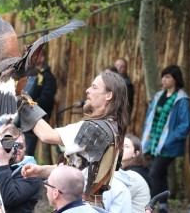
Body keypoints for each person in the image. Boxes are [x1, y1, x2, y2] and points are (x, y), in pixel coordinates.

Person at [20, 71, 129, 208]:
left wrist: (25, 103)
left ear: (109, 95)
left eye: (94, 87)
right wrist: (41, 171)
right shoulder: (114, 129)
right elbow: (80, 172)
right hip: (92, 206)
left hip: (79, 207)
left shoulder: (94, 128)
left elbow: (47, 135)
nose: (87, 90)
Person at [141, 64, 190, 213]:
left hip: (169, 145)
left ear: (175, 79)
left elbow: (184, 125)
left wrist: (170, 139)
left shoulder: (182, 99)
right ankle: (163, 207)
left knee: (154, 173)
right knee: (161, 174)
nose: (164, 79)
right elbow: (150, 118)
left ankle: (150, 205)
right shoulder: (158, 96)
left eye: (168, 76)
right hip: (154, 143)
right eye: (163, 76)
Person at [0, 125, 42, 212]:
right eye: (10, 144)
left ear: (25, 146)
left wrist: (3, 164)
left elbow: (7, 199)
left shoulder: (31, 171)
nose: (16, 150)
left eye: (20, 146)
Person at [22, 49, 57, 156]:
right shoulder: (26, 73)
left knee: (27, 150)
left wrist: (30, 105)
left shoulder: (48, 78)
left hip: (34, 117)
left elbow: (46, 99)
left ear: (42, 58)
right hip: (19, 114)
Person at [121, 135, 152, 213]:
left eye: (126, 146)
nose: (121, 148)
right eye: (120, 145)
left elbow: (113, 198)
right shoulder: (126, 172)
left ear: (136, 153)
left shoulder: (133, 176)